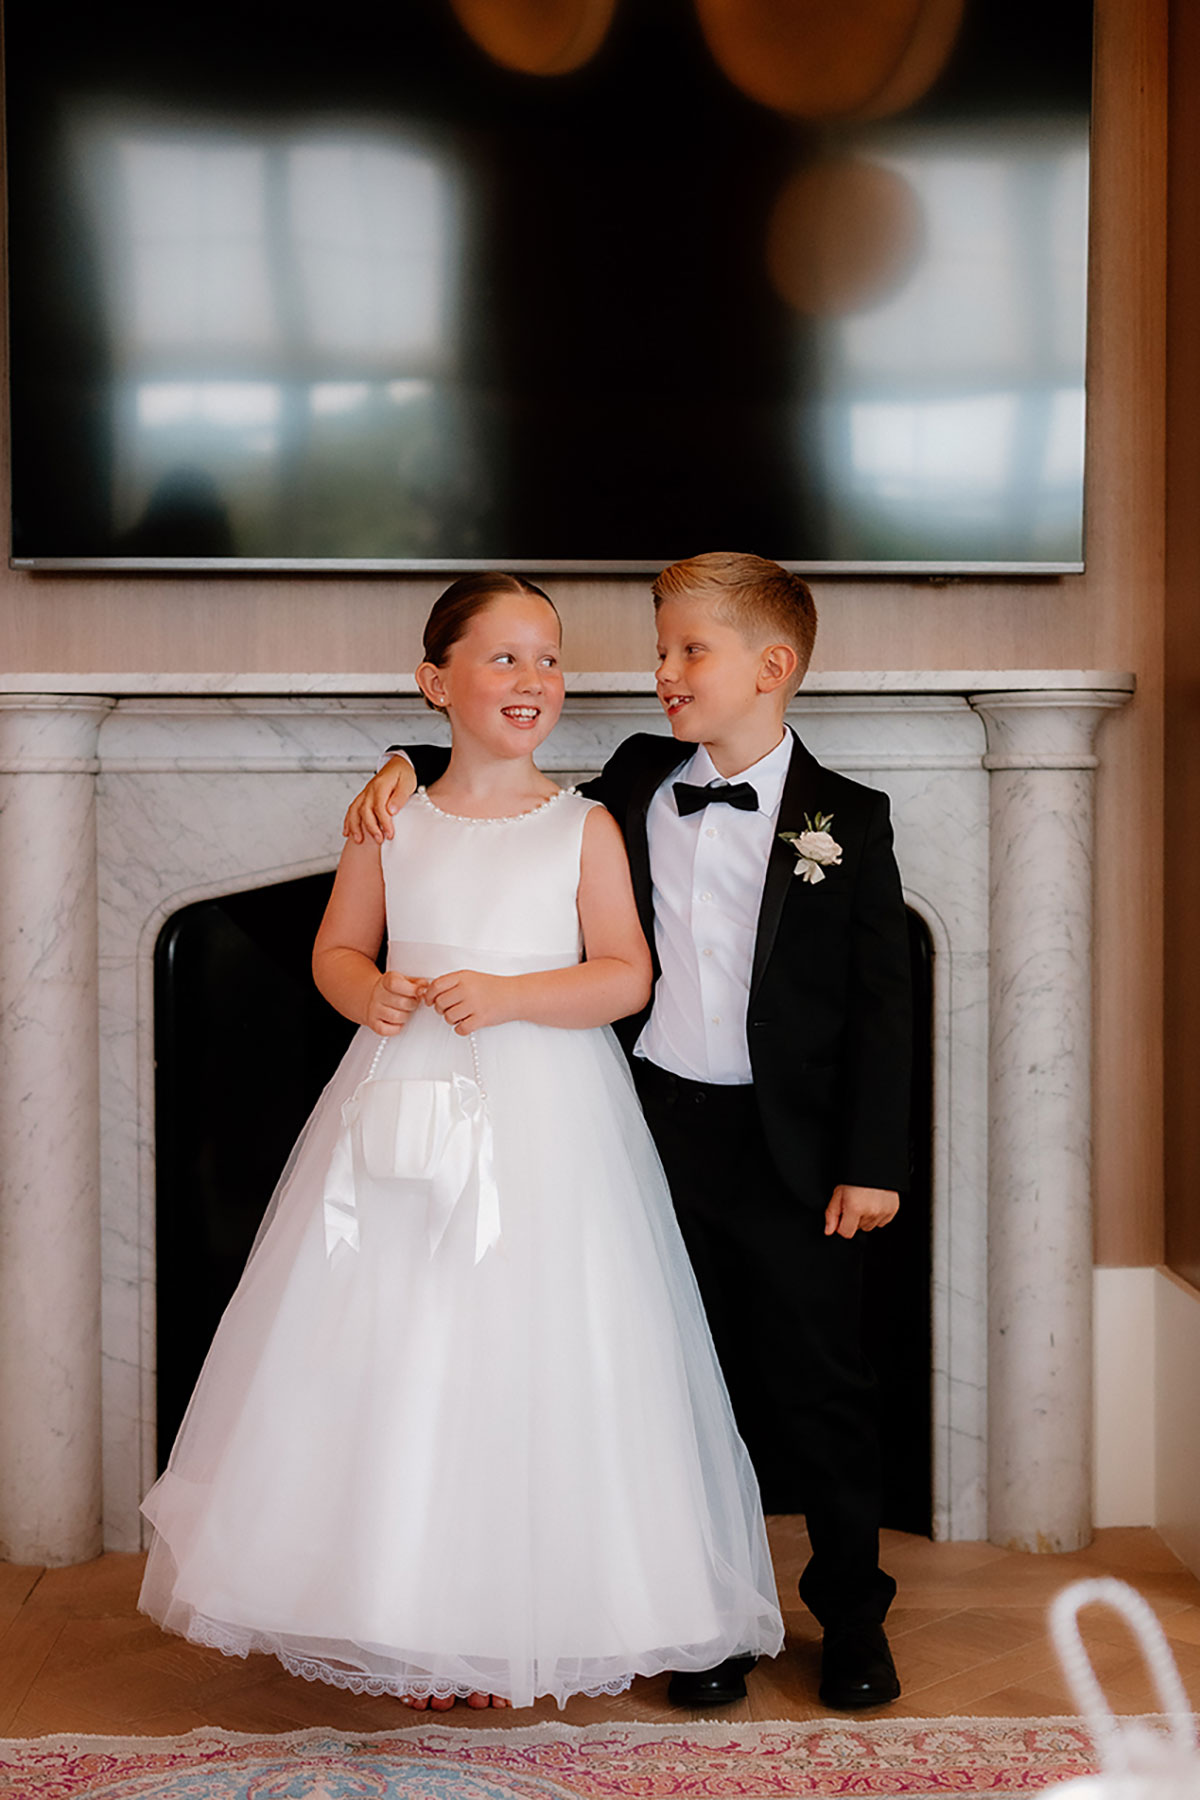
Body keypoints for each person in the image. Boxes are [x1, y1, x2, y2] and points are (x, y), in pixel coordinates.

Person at [139, 571, 784, 1713]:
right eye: (504, 658)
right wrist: (367, 992)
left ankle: (511, 1630)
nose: (533, 679)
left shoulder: (583, 824)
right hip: (402, 1106)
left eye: (548, 658)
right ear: (435, 682)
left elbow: (627, 975)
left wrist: (515, 992)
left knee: (534, 1356)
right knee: (407, 1351)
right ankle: (413, 1623)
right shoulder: (391, 817)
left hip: (551, 1125)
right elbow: (338, 948)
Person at [345, 552, 913, 1712]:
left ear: (773, 667)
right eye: (660, 651)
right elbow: (498, 779)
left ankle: (852, 1617)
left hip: (795, 1150)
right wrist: (400, 759)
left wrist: (874, 1163)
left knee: (824, 1386)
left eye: (686, 651)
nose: (660, 674)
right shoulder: (640, 775)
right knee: (667, 1384)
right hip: (649, 1128)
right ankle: (699, 1621)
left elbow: (883, 1006)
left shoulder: (847, 819)